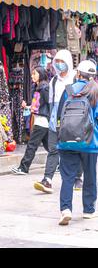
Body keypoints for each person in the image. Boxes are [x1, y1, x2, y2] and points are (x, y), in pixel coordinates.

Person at [32, 49, 82, 194]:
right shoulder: (53, 81)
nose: (59, 64)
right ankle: (47, 179)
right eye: (57, 62)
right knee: (53, 150)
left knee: (74, 150)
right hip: (55, 122)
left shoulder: (75, 79)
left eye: (62, 61)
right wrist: (51, 121)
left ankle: (77, 177)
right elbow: (51, 104)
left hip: (73, 122)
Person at [57, 60, 98, 225]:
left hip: (66, 141)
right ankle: (88, 210)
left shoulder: (68, 90)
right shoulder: (96, 91)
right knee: (90, 176)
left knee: (68, 177)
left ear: (78, 74)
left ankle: (66, 209)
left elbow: (59, 115)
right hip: (90, 142)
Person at [11, 66, 50, 175]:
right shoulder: (37, 87)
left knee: (31, 145)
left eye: (34, 74)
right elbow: (37, 105)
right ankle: (58, 162)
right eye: (32, 74)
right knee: (48, 146)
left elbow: (49, 104)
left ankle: (23, 167)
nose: (32, 76)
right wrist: (28, 107)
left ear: (41, 75)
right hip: (39, 119)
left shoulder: (45, 88)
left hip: (42, 120)